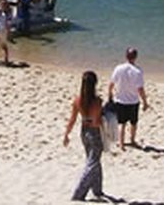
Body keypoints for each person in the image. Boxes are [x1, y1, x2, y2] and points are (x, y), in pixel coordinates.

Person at [63, 71, 107, 202]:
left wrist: (66, 134)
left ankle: (97, 190)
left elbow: (72, 120)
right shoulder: (97, 101)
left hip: (84, 131)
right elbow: (98, 121)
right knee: (92, 163)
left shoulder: (77, 100)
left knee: (93, 161)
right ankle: (78, 194)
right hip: (94, 132)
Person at [109, 47, 150, 151]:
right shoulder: (138, 71)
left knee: (121, 123)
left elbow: (111, 83)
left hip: (120, 100)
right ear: (135, 57)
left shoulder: (118, 68)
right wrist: (145, 102)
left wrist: (109, 93)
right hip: (133, 101)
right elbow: (140, 89)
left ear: (126, 56)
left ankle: (122, 143)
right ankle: (132, 140)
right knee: (133, 122)